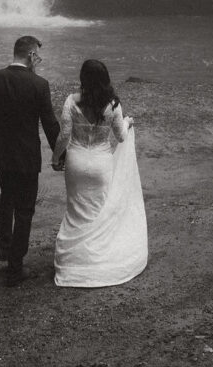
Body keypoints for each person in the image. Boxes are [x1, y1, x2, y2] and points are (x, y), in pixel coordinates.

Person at [0, 35, 60, 287]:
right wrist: (59, 154)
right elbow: (50, 124)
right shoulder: (39, 84)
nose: (38, 62)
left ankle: (4, 248)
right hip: (27, 155)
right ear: (31, 56)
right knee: (25, 209)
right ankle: (15, 267)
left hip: (0, 154)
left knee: (7, 196)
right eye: (37, 57)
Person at [52, 59, 147, 287]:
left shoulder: (71, 101)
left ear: (83, 79)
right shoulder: (113, 105)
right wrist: (127, 122)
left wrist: (55, 158)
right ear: (105, 79)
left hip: (76, 160)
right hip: (101, 164)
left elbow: (64, 135)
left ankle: (73, 262)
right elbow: (121, 137)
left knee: (76, 209)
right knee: (97, 210)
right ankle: (97, 259)